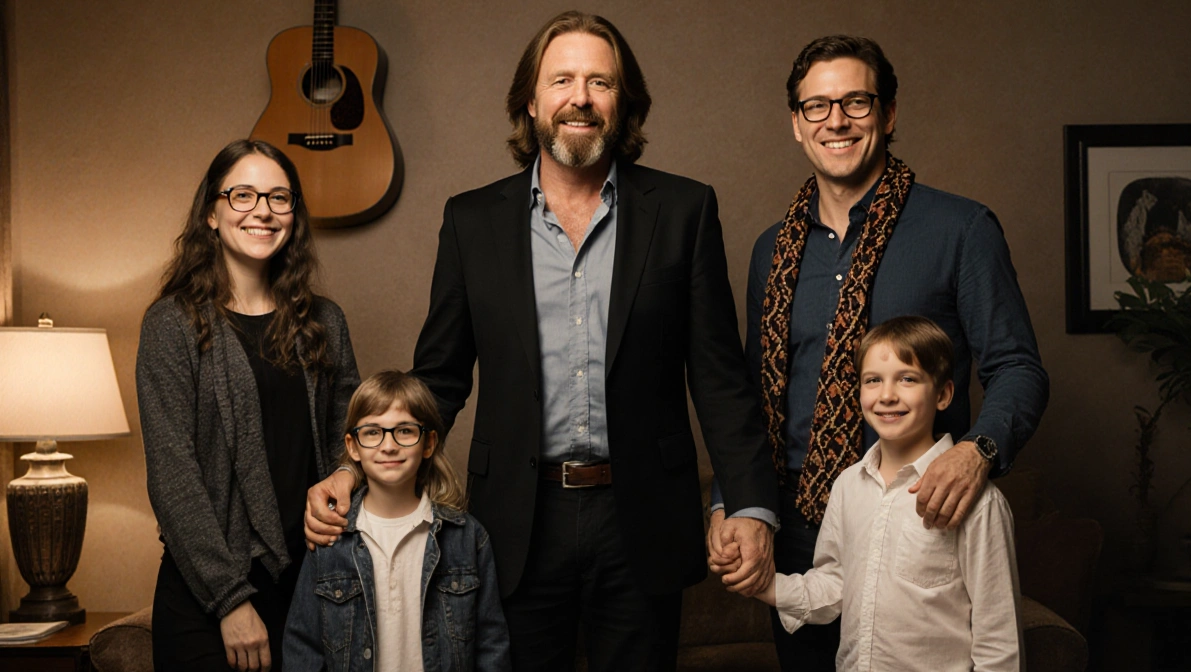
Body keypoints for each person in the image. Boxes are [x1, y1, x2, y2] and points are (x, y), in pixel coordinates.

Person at [304, 10, 779, 671]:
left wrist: (750, 502)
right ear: (530, 102)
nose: (579, 97)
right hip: (516, 523)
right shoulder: (472, 222)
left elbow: (721, 377)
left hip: (642, 516)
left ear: (625, 103)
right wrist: (354, 466)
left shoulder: (685, 210)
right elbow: (439, 378)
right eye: (561, 80)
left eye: (599, 82)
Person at [708, 35, 1048, 669]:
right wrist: (730, 501)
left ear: (888, 115)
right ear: (797, 125)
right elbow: (752, 395)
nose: (836, 120)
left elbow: (1018, 368)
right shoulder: (770, 252)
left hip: (924, 528)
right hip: (800, 540)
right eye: (817, 106)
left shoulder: (961, 231)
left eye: (856, 102)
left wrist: (980, 451)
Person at [137, 139, 360, 671]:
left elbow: (349, 430)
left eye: (279, 198)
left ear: (294, 216)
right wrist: (230, 599)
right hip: (206, 595)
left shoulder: (324, 321)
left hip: (314, 582)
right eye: (242, 195)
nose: (262, 210)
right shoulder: (172, 325)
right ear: (212, 213)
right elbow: (173, 476)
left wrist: (347, 474)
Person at [753, 316, 1022, 671]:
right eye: (873, 381)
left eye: (907, 379)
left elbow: (998, 637)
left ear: (942, 394)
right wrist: (760, 583)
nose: (887, 395)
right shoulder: (848, 486)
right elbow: (835, 583)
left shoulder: (978, 501)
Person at [283, 371, 510, 671]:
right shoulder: (330, 538)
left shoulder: (467, 538)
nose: (388, 446)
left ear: (428, 443)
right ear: (353, 446)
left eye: (404, 431)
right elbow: (303, 648)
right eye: (373, 432)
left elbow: (491, 646)